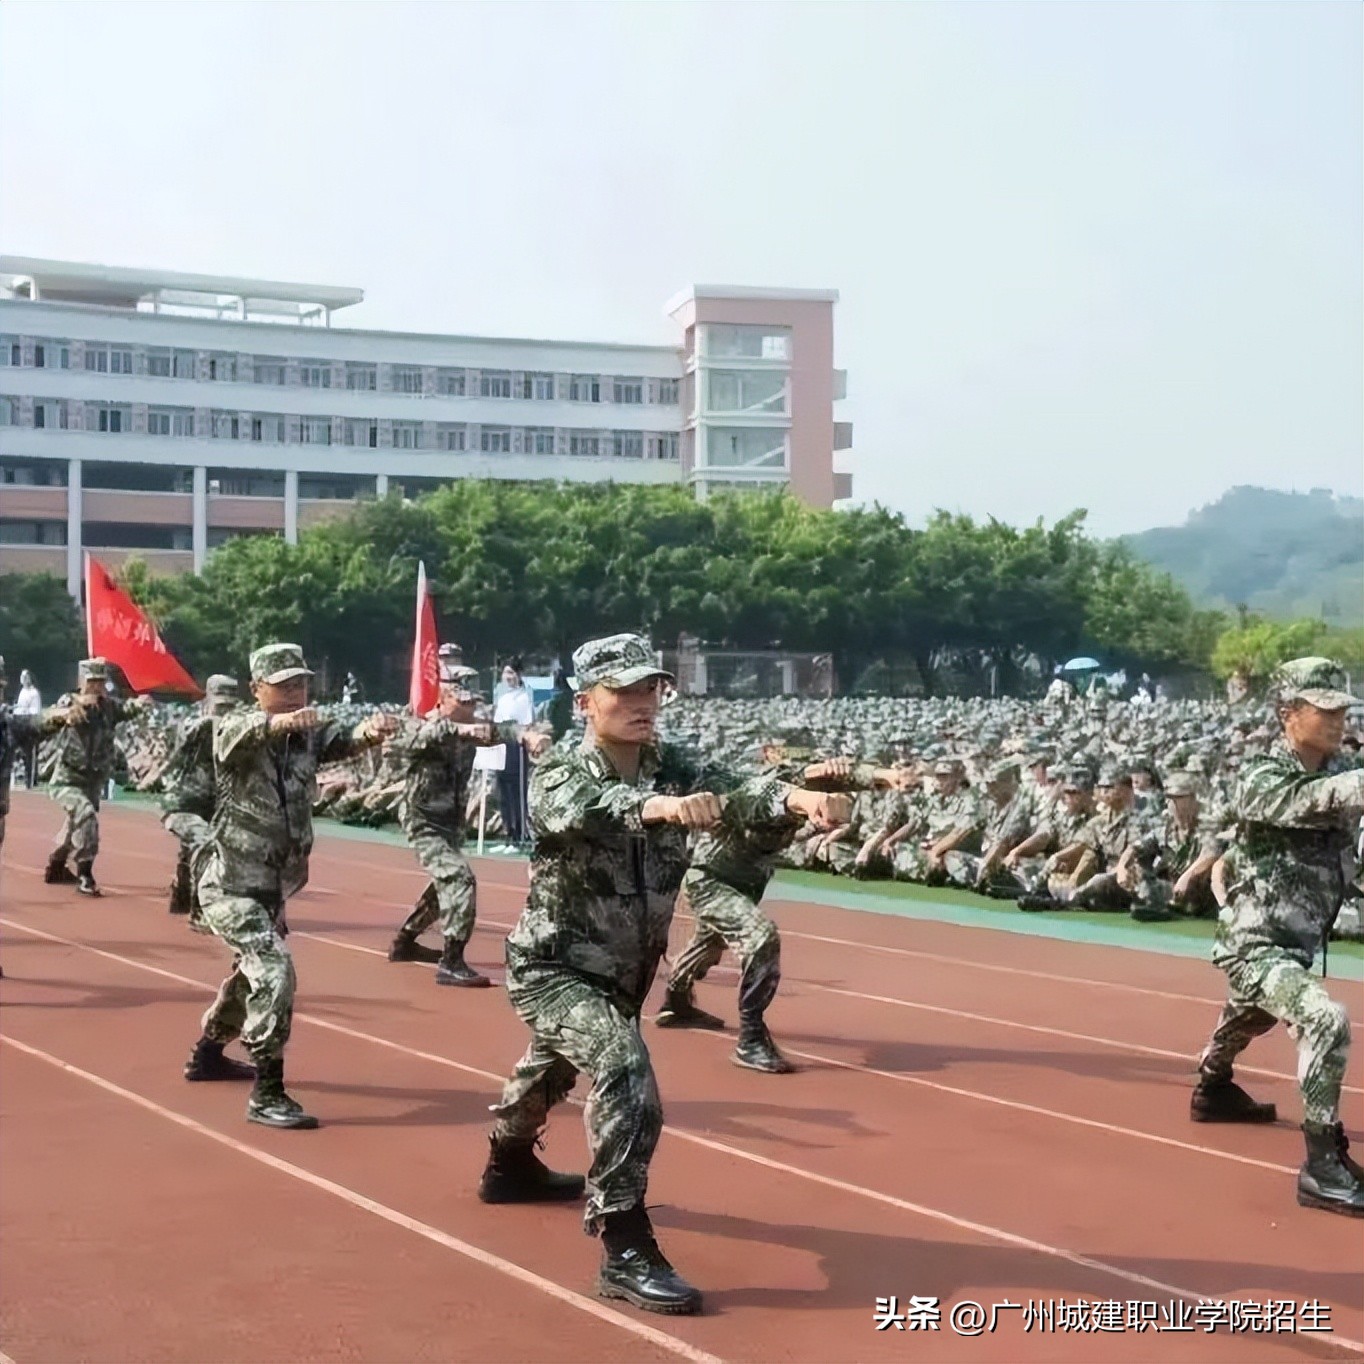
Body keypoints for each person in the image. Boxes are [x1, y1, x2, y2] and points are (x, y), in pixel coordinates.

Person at [481, 634, 849, 1315]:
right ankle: (624, 1242)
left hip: (623, 971)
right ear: (584, 700)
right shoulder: (563, 767)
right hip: (553, 966)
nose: (642, 703)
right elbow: (580, 811)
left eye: (651, 688)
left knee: (551, 1067)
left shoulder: (670, 760)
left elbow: (740, 788)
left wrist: (799, 800)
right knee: (624, 1069)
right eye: (623, 691)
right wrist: (663, 808)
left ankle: (508, 1164)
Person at [188, 643, 397, 1127]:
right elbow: (236, 737)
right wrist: (282, 721)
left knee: (251, 976)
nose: (295, 693)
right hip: (231, 885)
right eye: (283, 686)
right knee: (275, 970)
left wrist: (369, 731)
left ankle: (207, 1052)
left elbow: (339, 741)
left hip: (273, 887)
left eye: (300, 683)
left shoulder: (307, 734)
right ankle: (268, 1091)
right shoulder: (236, 726)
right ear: (256, 689)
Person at [1193, 657, 1364, 1218]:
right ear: (1288, 714)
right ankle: (1322, 1165)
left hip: (1294, 940)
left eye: (1343, 710)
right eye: (1325, 710)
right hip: (1254, 940)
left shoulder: (1343, 771)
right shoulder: (1262, 774)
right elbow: (1304, 803)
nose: (1338, 720)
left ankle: (1212, 1086)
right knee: (1323, 1018)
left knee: (1250, 1014)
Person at [657, 748, 896, 1072]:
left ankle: (676, 1002)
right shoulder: (765, 788)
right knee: (761, 938)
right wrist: (812, 802)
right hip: (711, 880)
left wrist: (887, 776)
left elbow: (848, 777)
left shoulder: (815, 789)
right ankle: (751, 1038)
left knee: (707, 945)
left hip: (746, 881)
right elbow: (781, 795)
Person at [387, 661, 550, 985]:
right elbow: (415, 739)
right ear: (442, 698)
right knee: (460, 880)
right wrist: (461, 729)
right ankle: (452, 960)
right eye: (462, 702)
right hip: (423, 822)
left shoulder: (474, 727)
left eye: (472, 702)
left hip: (450, 823)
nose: (469, 709)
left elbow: (502, 729)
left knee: (444, 885)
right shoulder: (420, 726)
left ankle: (404, 942)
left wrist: (527, 735)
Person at [44, 657, 150, 897]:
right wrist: (76, 707)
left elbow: (127, 709)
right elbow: (55, 714)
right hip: (67, 779)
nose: (97, 686)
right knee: (85, 815)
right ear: (81, 681)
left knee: (76, 824)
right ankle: (86, 873)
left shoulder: (108, 707)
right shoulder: (70, 703)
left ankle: (57, 865)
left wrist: (142, 702)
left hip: (93, 779)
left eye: (101, 681)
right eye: (92, 681)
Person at [160, 675, 240, 916]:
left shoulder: (238, 728)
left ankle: (182, 890)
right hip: (180, 804)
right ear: (207, 701)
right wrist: (211, 723)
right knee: (204, 842)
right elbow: (182, 736)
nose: (223, 713)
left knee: (198, 848)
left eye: (229, 707)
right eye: (219, 706)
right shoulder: (189, 722)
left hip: (214, 807)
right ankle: (201, 907)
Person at [493, 660, 535, 845]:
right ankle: (508, 833)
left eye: (511, 673)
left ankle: (520, 833)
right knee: (503, 790)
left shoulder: (525, 695)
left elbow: (527, 722)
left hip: (516, 745)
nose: (508, 678)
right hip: (500, 743)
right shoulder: (500, 695)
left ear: (519, 674)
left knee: (517, 790)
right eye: (505, 673)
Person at [14, 668, 42, 787]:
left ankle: (30, 780)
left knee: (30, 754)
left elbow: (36, 710)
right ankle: (20, 776)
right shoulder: (22, 692)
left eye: (26, 677)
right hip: (19, 724)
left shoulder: (34, 693)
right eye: (22, 677)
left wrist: (25, 711)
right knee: (20, 754)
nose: (24, 679)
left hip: (30, 726)